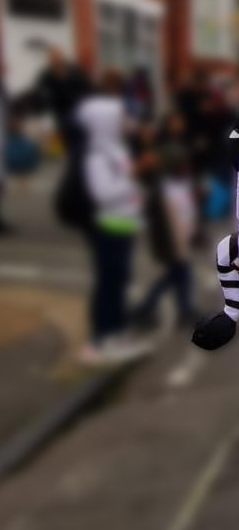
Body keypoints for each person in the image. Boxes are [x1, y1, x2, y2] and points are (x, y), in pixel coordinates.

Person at [76, 71, 148, 363]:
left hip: (124, 223)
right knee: (109, 282)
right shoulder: (96, 154)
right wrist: (134, 176)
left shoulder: (115, 148)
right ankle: (99, 341)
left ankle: (116, 333)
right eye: (119, 118)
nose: (125, 122)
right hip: (109, 226)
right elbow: (103, 193)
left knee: (118, 281)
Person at [130, 113, 198, 329]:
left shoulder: (171, 151)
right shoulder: (162, 158)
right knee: (179, 271)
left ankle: (174, 310)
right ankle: (161, 309)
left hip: (174, 226)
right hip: (170, 229)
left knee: (178, 272)